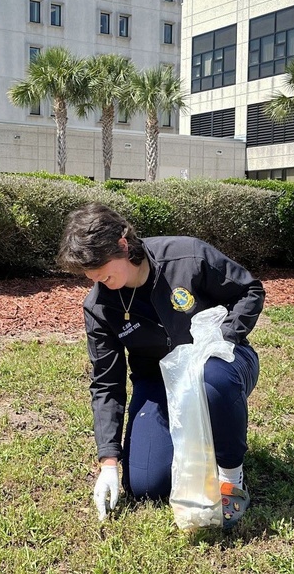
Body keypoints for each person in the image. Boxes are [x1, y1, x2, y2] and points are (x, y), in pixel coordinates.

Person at [58, 203, 263, 528]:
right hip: (158, 382)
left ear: (123, 245)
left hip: (219, 363)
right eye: (89, 273)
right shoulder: (99, 306)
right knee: (146, 485)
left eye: (101, 269)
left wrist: (222, 338)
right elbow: (107, 383)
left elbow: (250, 291)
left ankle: (231, 477)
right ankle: (198, 442)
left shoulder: (186, 256)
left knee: (212, 379)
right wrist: (109, 462)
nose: (95, 278)